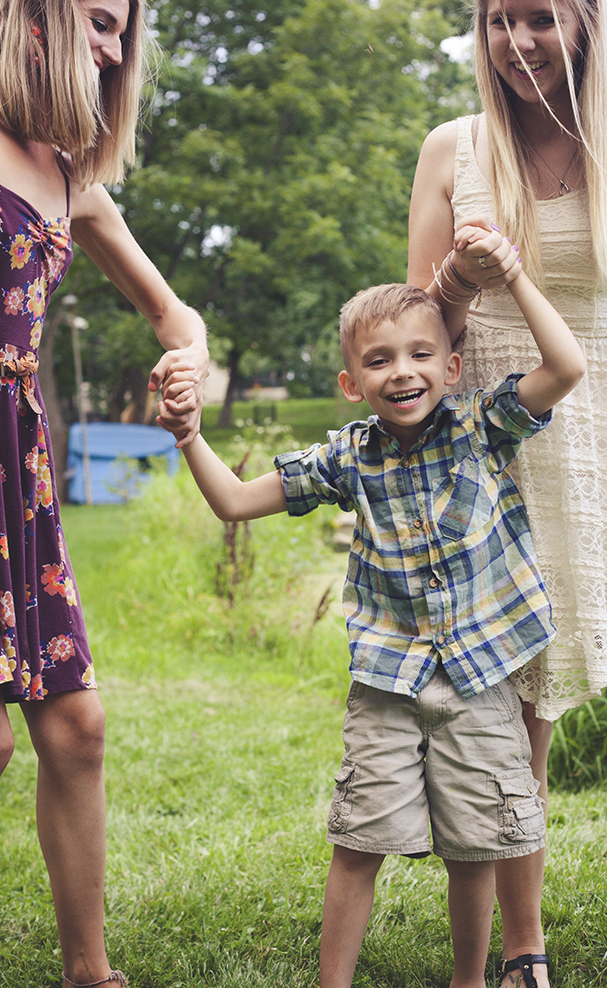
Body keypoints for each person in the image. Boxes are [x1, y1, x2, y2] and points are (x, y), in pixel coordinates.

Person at [168, 271, 585, 988]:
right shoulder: (348, 456)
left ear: (451, 368)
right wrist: (188, 435)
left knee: (478, 846)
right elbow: (235, 503)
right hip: (386, 685)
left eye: (421, 354)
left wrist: (512, 275)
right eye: (379, 360)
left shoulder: (481, 424)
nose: (403, 372)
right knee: (358, 841)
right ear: (350, 381)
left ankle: (469, 979)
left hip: (481, 680)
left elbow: (566, 368)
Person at [407, 0, 607, 988]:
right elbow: (419, 336)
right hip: (497, 435)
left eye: (539, 18)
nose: (518, 39)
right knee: (514, 713)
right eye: (499, 19)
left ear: (585, 23)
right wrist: (461, 286)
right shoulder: (453, 149)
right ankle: (523, 954)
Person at [0, 0, 208, 988]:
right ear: (34, 19)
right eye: (99, 26)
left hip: (19, 466)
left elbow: (173, 311)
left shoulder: (71, 181)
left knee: (75, 727)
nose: (112, 54)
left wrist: (186, 363)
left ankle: (88, 973)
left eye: (120, 36)